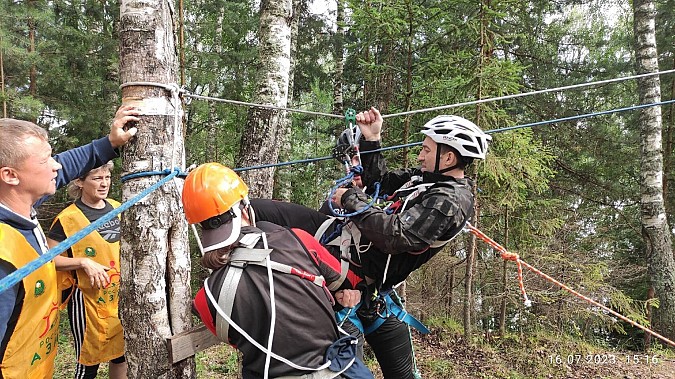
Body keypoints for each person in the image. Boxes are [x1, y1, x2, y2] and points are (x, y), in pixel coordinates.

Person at [252, 107, 491, 379]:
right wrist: (371, 139)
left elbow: (396, 236)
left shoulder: (449, 202)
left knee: (288, 239)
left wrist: (349, 199)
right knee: (260, 210)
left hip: (357, 270)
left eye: (426, 149)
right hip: (344, 242)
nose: (420, 155)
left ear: (448, 157)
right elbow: (379, 181)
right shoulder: (425, 181)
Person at [182, 163, 373, 379]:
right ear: (245, 207)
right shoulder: (298, 239)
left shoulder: (205, 300)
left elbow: (240, 339)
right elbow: (344, 279)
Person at [0, 106, 139, 379]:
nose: (57, 165)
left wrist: (110, 143)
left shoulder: (19, 207)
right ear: (10, 175)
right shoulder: (3, 254)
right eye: (45, 161)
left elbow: (66, 167)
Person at [46, 161, 127, 379]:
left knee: (121, 356)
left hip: (120, 297)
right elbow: (48, 260)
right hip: (87, 300)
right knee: (88, 362)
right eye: (97, 178)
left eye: (107, 178)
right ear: (79, 182)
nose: (104, 184)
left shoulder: (118, 208)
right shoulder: (68, 219)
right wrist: (83, 262)